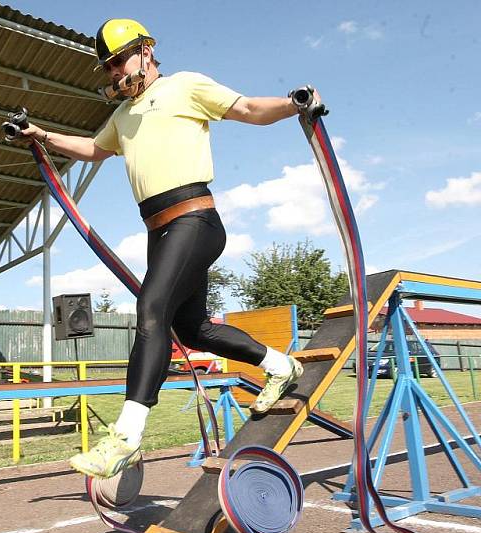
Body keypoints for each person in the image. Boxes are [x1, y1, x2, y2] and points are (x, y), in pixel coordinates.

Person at [20, 19, 310, 478]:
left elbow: (251, 108)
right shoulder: (122, 116)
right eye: (108, 67)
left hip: (195, 219)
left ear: (147, 50)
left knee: (151, 309)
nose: (114, 72)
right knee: (192, 331)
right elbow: (94, 150)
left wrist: (295, 104)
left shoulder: (185, 86)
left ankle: (125, 437)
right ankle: (281, 365)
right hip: (159, 231)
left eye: (119, 61)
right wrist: (41, 135)